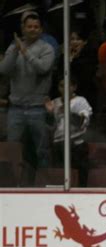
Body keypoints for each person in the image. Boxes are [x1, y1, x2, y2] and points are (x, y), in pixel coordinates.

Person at [0, 11, 55, 181]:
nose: (33, 29)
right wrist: (16, 50)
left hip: (37, 108)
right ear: (23, 28)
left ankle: (44, 184)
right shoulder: (13, 47)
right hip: (15, 108)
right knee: (12, 149)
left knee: (42, 150)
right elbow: (4, 69)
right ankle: (11, 183)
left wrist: (25, 51)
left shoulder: (47, 48)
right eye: (29, 26)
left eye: (36, 27)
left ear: (41, 29)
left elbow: (43, 68)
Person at [45, 77, 92, 187]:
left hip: (76, 144)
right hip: (58, 145)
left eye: (68, 85)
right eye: (61, 85)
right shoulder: (54, 103)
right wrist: (50, 114)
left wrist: (67, 112)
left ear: (74, 87)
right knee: (58, 176)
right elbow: (50, 127)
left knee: (79, 175)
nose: (64, 88)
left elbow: (82, 123)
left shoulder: (81, 101)